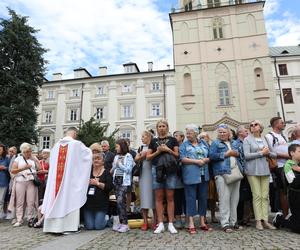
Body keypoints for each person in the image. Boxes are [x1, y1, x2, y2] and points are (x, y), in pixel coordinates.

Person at [41, 127, 92, 233]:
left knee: (54, 199)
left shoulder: (55, 147)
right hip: (69, 183)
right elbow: (87, 156)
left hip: (56, 182)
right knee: (69, 200)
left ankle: (51, 227)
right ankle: (68, 227)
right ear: (74, 133)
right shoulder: (76, 145)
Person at [147, 119, 179, 234]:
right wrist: (158, 151)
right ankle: (160, 223)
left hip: (170, 170)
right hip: (157, 170)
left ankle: (170, 223)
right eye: (159, 126)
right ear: (157, 128)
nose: (161, 128)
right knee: (159, 197)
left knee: (170, 197)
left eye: (163, 126)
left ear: (167, 127)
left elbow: (177, 155)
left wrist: (168, 149)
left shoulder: (173, 140)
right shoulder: (153, 141)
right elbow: (148, 157)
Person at [209, 124, 243, 233]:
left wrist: (238, 153)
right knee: (224, 199)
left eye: (224, 132)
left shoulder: (234, 143)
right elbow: (211, 156)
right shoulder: (215, 143)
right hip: (222, 173)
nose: (222, 134)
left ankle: (234, 222)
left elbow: (241, 155)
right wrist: (225, 154)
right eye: (220, 132)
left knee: (234, 199)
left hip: (235, 172)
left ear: (229, 133)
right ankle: (225, 223)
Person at [243, 120, 276, 230]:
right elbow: (246, 155)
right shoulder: (247, 140)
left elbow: (274, 154)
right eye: (251, 125)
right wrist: (261, 153)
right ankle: (258, 221)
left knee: (265, 196)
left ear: (260, 127)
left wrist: (267, 153)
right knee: (257, 196)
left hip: (265, 170)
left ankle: (265, 220)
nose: (252, 126)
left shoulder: (265, 139)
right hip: (252, 171)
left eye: (255, 124)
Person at [180, 124, 211, 234]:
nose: (187, 135)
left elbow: (210, 156)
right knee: (190, 198)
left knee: (203, 198)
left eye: (190, 133)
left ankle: (202, 221)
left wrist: (205, 160)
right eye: (187, 133)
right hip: (190, 175)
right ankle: (191, 222)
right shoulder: (184, 145)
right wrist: (196, 161)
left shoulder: (204, 143)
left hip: (204, 174)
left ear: (196, 133)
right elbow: (182, 159)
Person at [10, 143, 39, 227]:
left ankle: (30, 218)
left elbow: (39, 168)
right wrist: (24, 168)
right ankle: (19, 219)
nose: (28, 153)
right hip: (20, 181)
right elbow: (13, 171)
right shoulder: (18, 159)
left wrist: (36, 160)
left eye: (29, 151)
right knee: (20, 201)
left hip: (31, 181)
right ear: (22, 151)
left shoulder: (33, 158)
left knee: (31, 201)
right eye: (26, 152)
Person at [265, 117, 289, 217]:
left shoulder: (283, 136)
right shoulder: (269, 136)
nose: (284, 124)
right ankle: (284, 215)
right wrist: (286, 156)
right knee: (282, 191)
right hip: (278, 166)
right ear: (275, 124)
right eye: (281, 122)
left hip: (287, 165)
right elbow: (270, 152)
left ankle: (290, 213)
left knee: (288, 191)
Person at [273, 144, 300, 233]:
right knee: (297, 228)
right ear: (292, 153)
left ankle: (292, 218)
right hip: (295, 196)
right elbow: (293, 182)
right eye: (299, 151)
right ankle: (279, 219)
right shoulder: (288, 165)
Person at [84, 153, 113, 230]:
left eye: (98, 158)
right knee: (89, 227)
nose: (96, 160)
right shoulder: (87, 172)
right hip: (88, 205)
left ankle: (107, 220)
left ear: (103, 161)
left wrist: (98, 183)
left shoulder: (106, 173)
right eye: (94, 159)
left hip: (101, 205)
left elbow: (109, 187)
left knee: (98, 226)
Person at [110, 139, 134, 233]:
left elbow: (128, 170)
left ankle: (125, 224)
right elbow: (113, 167)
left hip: (124, 181)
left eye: (117, 146)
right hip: (116, 180)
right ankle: (121, 222)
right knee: (118, 202)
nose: (116, 148)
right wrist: (113, 168)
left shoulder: (128, 156)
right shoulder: (116, 156)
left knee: (121, 201)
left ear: (122, 146)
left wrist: (119, 164)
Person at [135, 131, 156, 231]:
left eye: (143, 136)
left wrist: (145, 155)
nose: (142, 138)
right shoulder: (141, 148)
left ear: (149, 137)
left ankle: (155, 221)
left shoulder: (154, 146)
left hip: (154, 174)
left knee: (155, 199)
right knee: (144, 199)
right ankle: (145, 221)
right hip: (143, 174)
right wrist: (142, 156)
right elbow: (136, 159)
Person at [235, 126, 252, 226]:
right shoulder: (236, 143)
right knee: (241, 196)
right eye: (245, 131)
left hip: (250, 171)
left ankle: (247, 217)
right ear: (240, 133)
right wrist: (243, 170)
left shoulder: (248, 142)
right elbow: (239, 158)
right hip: (241, 172)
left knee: (248, 196)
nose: (247, 132)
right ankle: (240, 218)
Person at [199, 132, 218, 224]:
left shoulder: (212, 146)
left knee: (213, 198)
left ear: (208, 138)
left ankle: (213, 216)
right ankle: (204, 216)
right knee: (204, 197)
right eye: (201, 137)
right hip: (203, 175)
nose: (203, 139)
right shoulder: (199, 147)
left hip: (212, 174)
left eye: (204, 137)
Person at [172, 130, 186, 229]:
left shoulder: (185, 147)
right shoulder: (172, 148)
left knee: (186, 198)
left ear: (182, 137)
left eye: (177, 135)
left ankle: (187, 218)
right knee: (177, 198)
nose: (175, 137)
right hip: (176, 176)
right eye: (174, 135)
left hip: (186, 174)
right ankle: (178, 219)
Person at [0, 143, 10, 220]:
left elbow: (10, 169)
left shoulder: (7, 159)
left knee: (1, 200)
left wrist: (4, 168)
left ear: (3, 150)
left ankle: (1, 215)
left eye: (0, 149)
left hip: (3, 182)